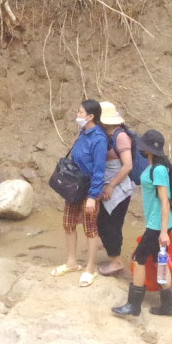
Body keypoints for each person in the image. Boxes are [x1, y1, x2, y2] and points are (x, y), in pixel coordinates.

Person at [113, 129, 172, 318]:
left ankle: (133, 305)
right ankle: (168, 307)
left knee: (138, 258)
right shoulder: (156, 167)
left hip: (158, 225)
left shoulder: (158, 170)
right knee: (160, 260)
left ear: (148, 150)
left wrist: (164, 231)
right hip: (158, 223)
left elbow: (165, 201)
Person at [53, 100, 107, 286]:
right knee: (68, 223)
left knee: (90, 227)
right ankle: (71, 262)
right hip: (75, 186)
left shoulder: (99, 139)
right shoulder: (83, 132)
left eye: (80, 111)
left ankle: (90, 268)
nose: (77, 114)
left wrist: (93, 196)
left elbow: (99, 170)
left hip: (89, 187)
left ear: (90, 117)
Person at [95, 102, 138, 279]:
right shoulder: (109, 134)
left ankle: (116, 261)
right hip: (111, 186)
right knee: (107, 222)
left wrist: (111, 185)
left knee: (110, 224)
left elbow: (127, 165)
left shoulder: (120, 137)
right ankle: (112, 252)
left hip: (118, 188)